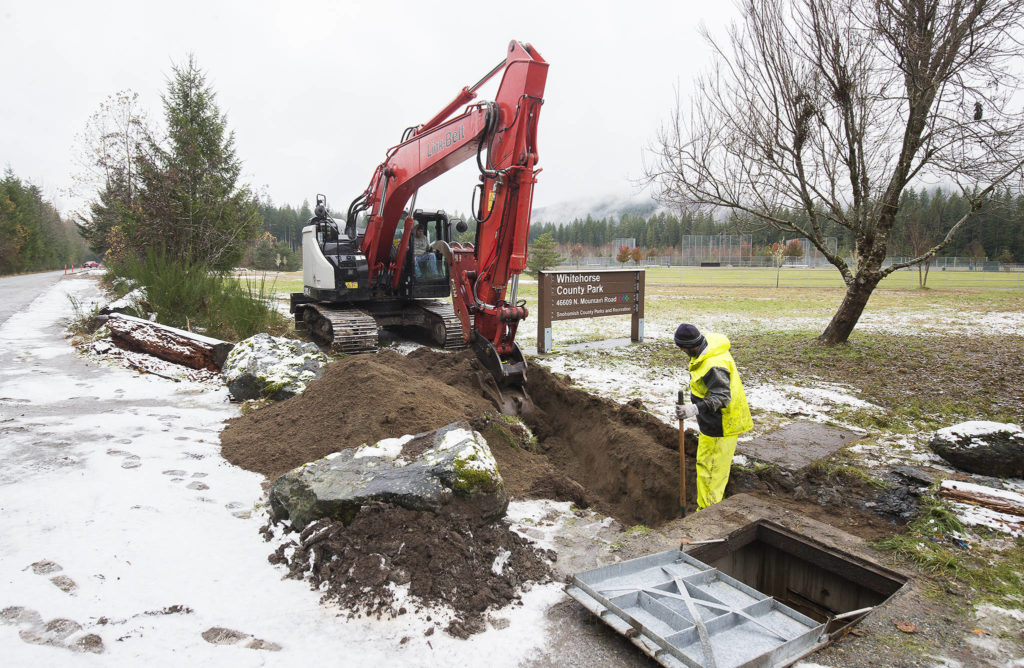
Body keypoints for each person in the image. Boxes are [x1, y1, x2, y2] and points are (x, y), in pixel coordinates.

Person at [674, 323, 753, 510]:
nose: (681, 351)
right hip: (712, 424)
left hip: (721, 425)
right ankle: (713, 504)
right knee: (710, 467)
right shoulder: (707, 350)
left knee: (710, 472)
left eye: (682, 348)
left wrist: (694, 409)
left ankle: (707, 516)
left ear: (692, 345)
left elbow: (721, 398)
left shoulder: (713, 364)